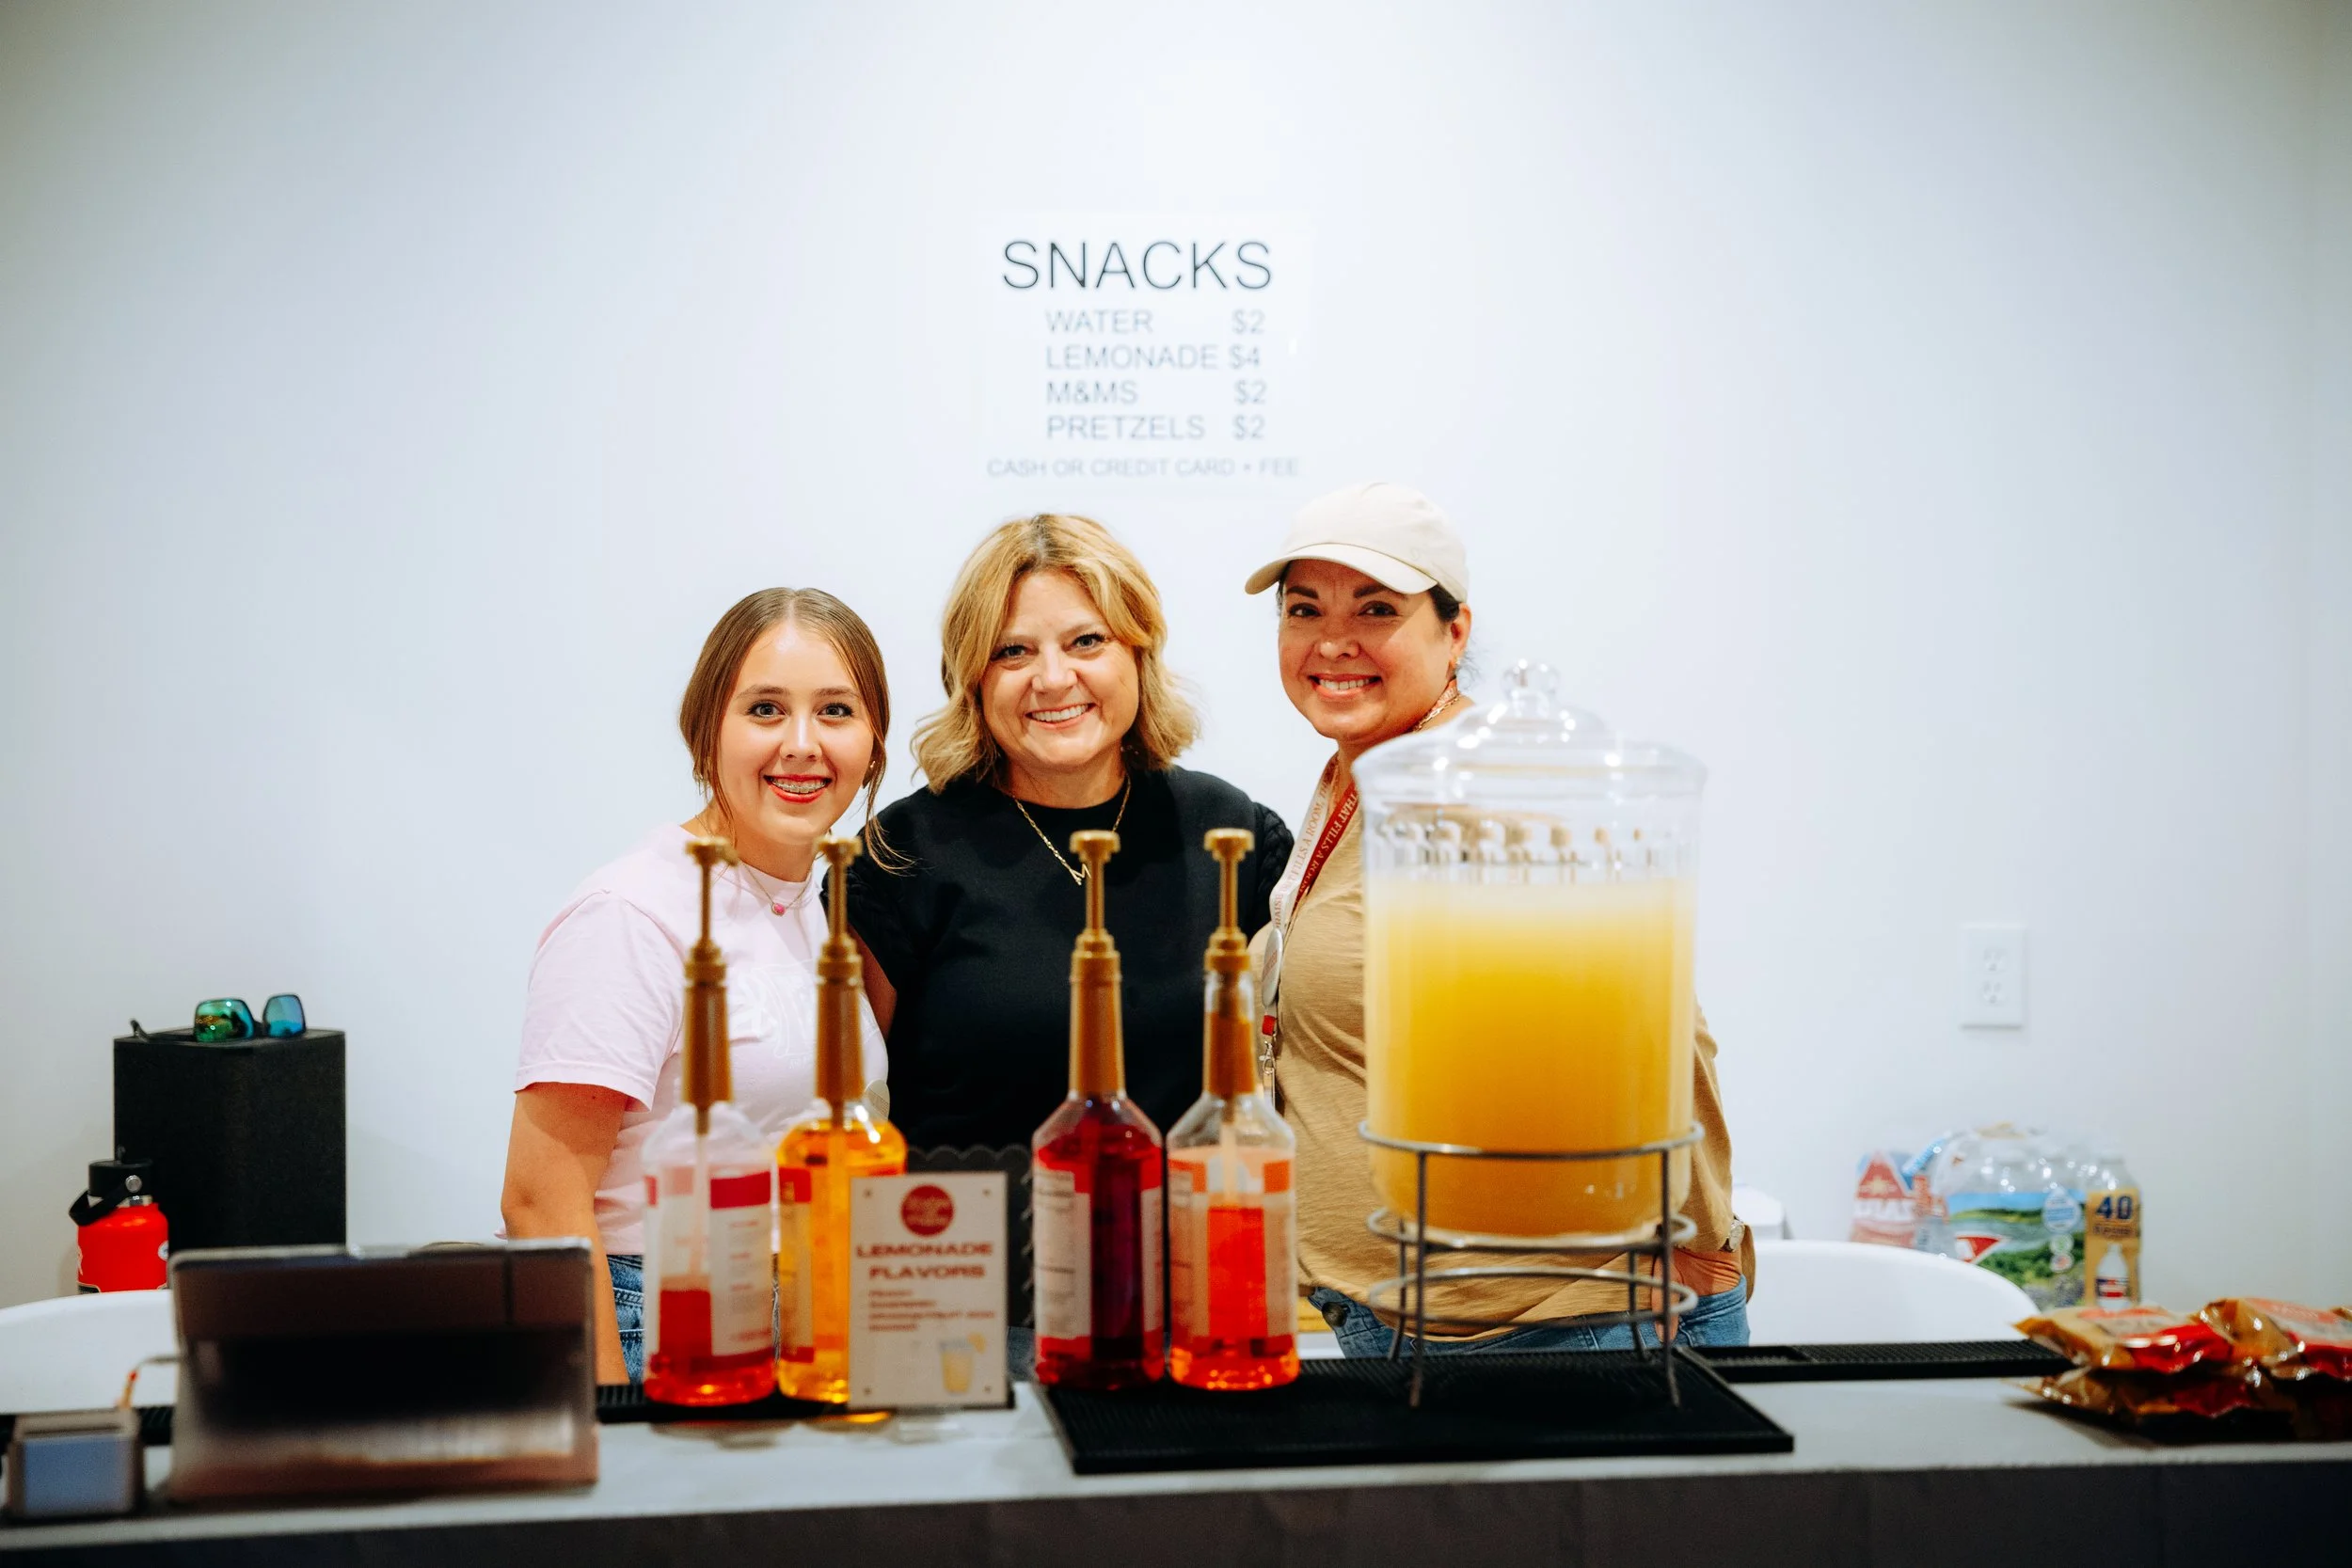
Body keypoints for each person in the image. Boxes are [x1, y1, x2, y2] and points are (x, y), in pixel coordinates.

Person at [1245, 481, 1752, 1354]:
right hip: (1411, 1318)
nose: (1332, 640)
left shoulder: (1490, 795)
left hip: (1541, 1331)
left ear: (1456, 632)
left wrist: (1698, 1260)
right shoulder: (1362, 778)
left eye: (1376, 609)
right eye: (1304, 608)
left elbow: (1665, 1038)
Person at [501, 588, 894, 1384]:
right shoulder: (631, 913)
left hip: (811, 1318)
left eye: (837, 711)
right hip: (669, 1322)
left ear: (874, 745)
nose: (802, 744)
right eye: (765, 709)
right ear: (705, 729)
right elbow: (541, 1201)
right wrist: (616, 1431)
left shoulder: (815, 909)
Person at [848, 514, 1295, 1151]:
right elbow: (852, 1111)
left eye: (1087, 641)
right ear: (972, 677)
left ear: (1138, 652)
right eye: (1013, 651)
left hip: (1188, 1243)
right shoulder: (899, 857)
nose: (1053, 678)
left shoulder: (1231, 837)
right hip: (966, 1241)